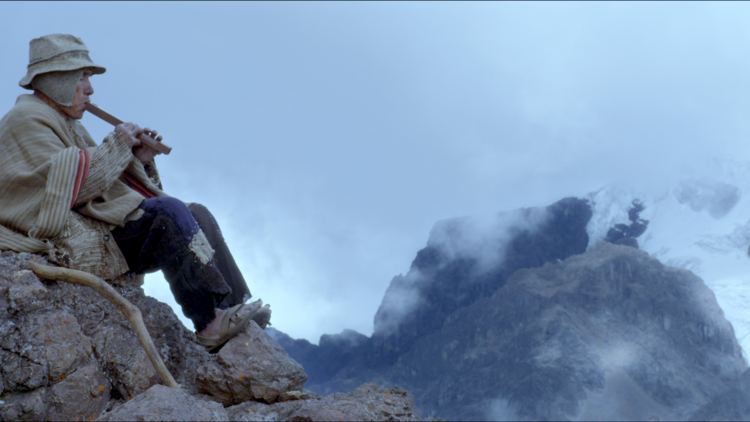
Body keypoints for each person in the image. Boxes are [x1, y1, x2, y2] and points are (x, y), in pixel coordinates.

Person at [0, 34, 268, 352]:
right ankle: (210, 321)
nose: (90, 88)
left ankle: (236, 307)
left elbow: (99, 183)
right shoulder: (24, 120)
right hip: (67, 239)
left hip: (95, 225)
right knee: (168, 214)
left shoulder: (65, 122)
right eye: (81, 77)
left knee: (196, 212)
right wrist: (117, 146)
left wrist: (135, 159)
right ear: (57, 80)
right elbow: (67, 191)